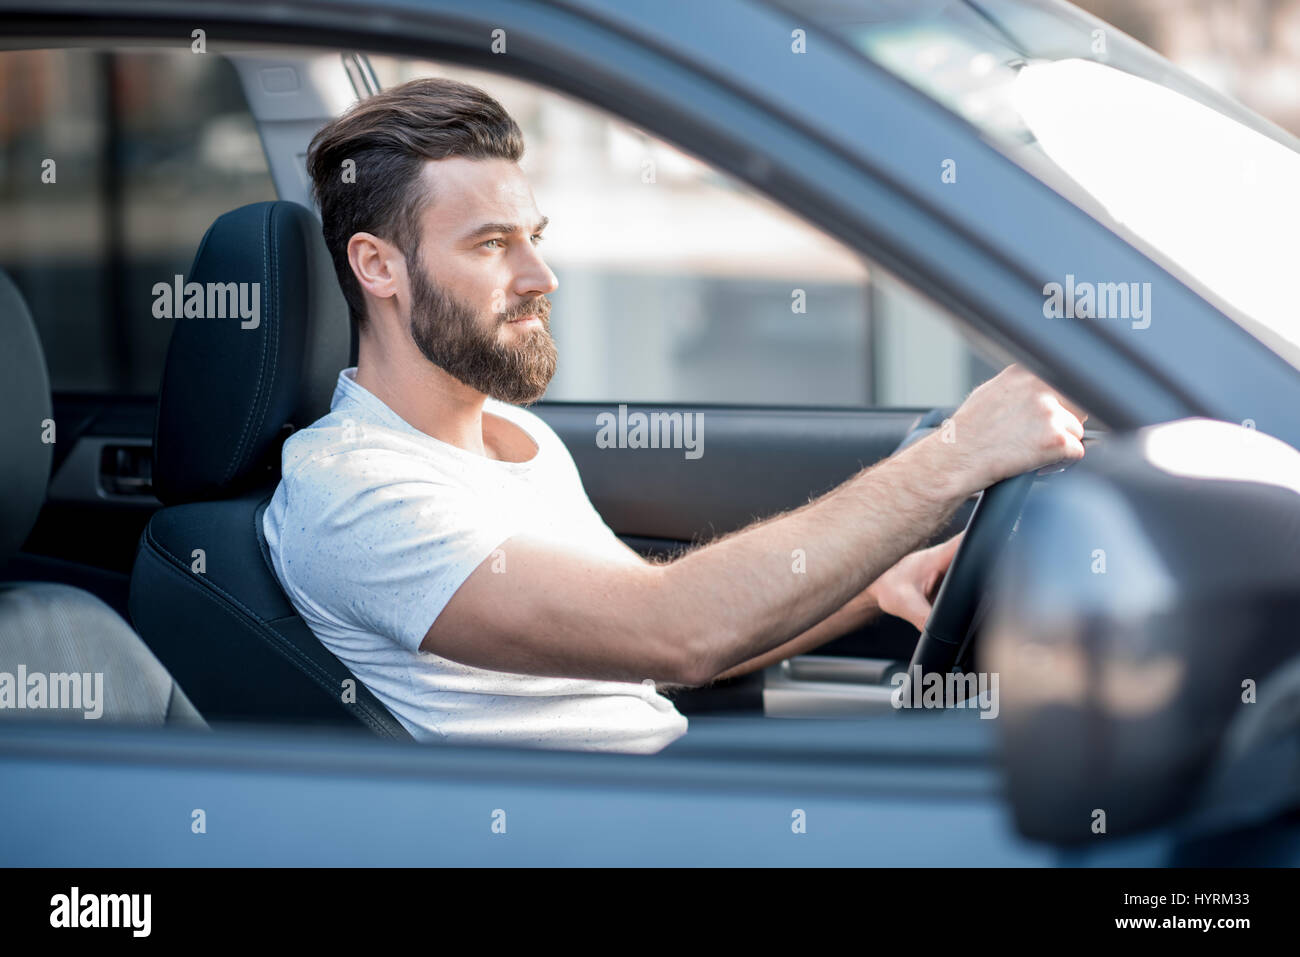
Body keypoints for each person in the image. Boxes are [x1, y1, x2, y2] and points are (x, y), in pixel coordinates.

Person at [263, 78, 1087, 754]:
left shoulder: (516, 440)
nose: (540, 275)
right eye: (490, 245)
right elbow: (674, 631)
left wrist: (877, 586)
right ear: (377, 266)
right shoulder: (355, 496)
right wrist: (956, 453)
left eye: (535, 237)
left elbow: (638, 658)